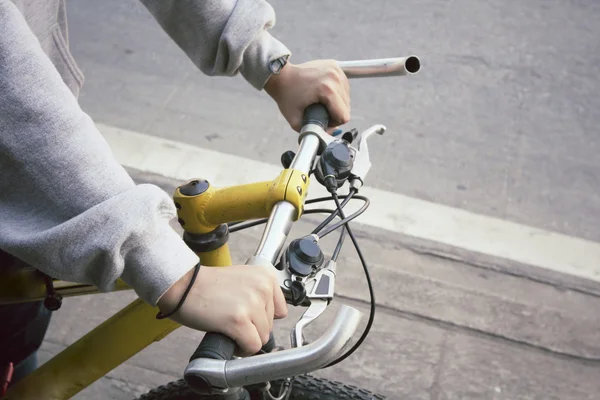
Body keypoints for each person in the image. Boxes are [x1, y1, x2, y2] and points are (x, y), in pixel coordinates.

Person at [0, 0, 351, 387]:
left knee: (17, 344)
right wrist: (167, 270)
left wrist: (268, 61)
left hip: (30, 173)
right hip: (24, 162)